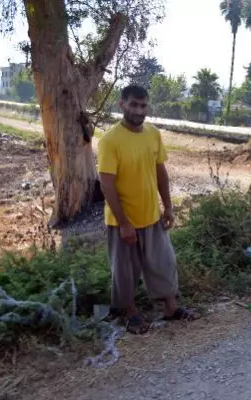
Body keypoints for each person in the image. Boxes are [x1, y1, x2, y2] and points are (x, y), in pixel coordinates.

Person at [97, 84, 198, 334]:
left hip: (151, 216)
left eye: (143, 106)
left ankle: (171, 309)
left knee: (164, 263)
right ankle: (131, 314)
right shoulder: (110, 140)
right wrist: (123, 223)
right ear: (121, 104)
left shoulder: (153, 134)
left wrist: (169, 208)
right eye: (133, 104)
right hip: (122, 220)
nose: (139, 110)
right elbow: (106, 185)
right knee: (125, 271)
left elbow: (160, 172)